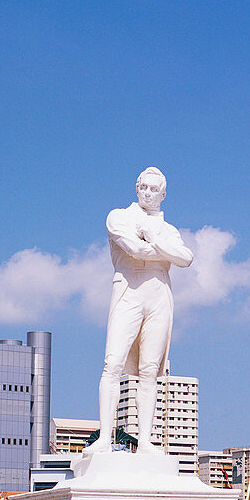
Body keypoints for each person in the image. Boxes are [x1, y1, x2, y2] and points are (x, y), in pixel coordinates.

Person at [84, 166, 193, 456]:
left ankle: (145, 440)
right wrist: (162, 250)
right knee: (112, 364)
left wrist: (153, 239)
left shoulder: (169, 230)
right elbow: (135, 250)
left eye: (153, 189)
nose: (147, 192)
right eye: (143, 187)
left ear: (163, 194)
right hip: (128, 291)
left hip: (159, 297)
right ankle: (105, 437)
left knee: (149, 371)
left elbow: (186, 258)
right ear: (136, 187)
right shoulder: (119, 216)